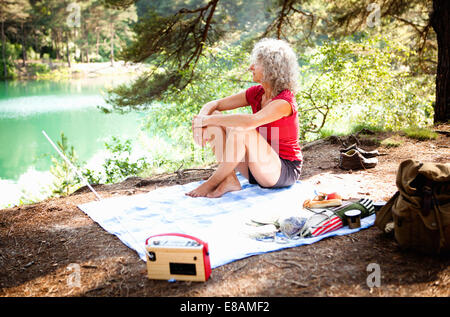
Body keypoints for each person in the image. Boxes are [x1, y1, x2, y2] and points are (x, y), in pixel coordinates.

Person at [185, 38, 303, 198]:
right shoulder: (257, 93)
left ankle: (212, 183)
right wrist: (201, 120)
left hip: (282, 171)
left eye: (257, 64)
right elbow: (216, 104)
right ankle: (229, 180)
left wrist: (206, 121)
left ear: (271, 68)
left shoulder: (284, 101)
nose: (250, 67)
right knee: (214, 115)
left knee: (244, 130)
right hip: (256, 167)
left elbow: (251, 121)